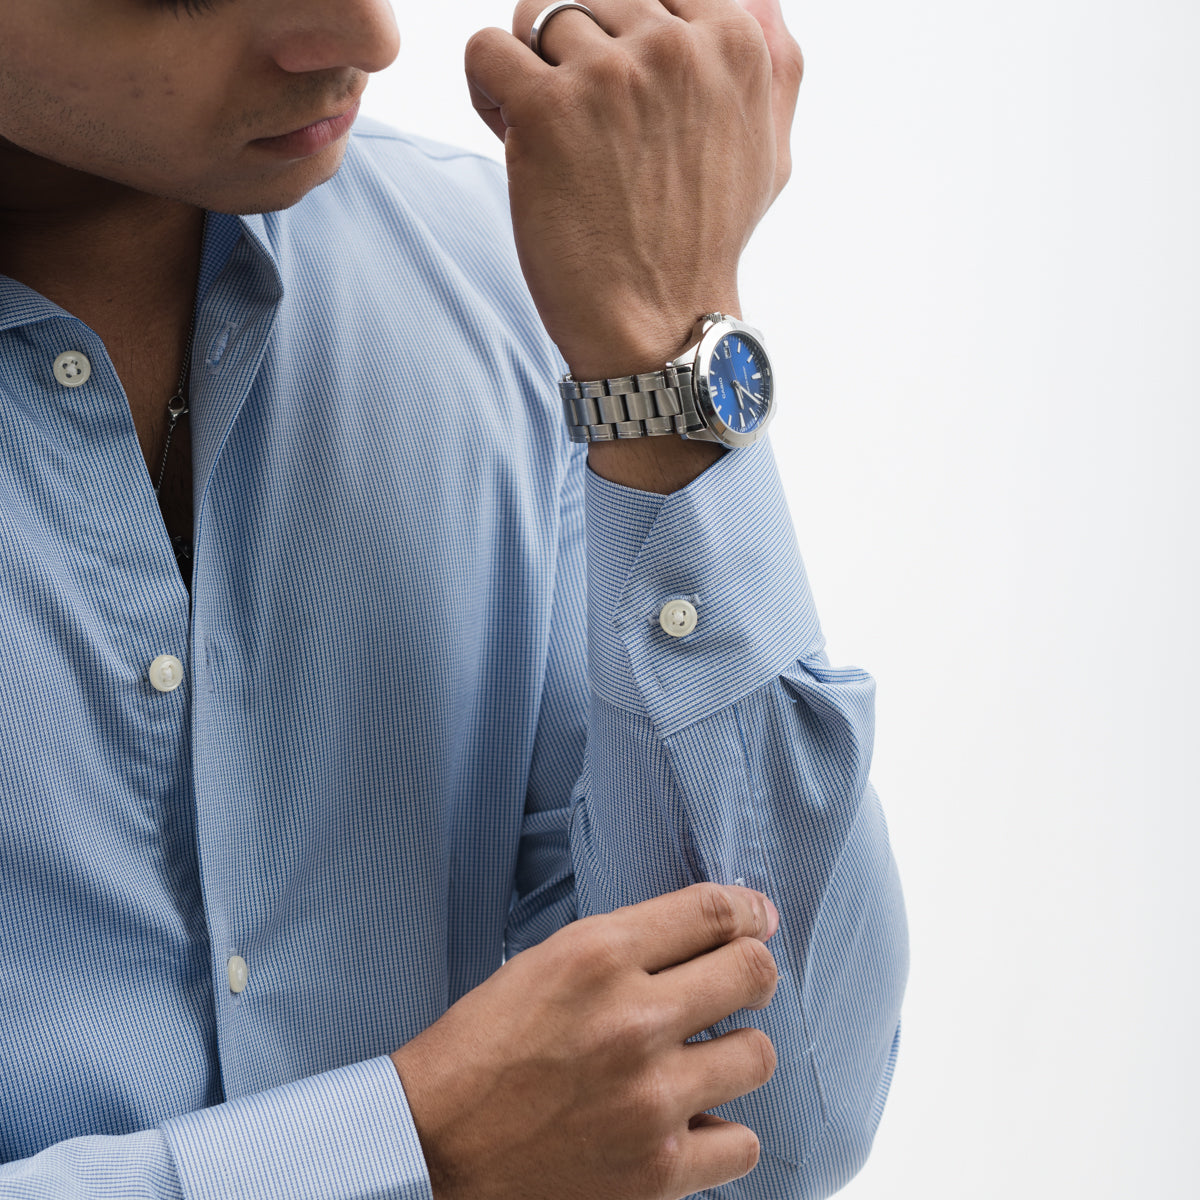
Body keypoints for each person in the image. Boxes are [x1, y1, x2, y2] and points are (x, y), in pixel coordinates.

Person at [0, 1, 908, 1197]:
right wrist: (421, 1151)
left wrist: (659, 360)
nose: (365, 36)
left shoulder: (514, 281)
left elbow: (764, 1133)